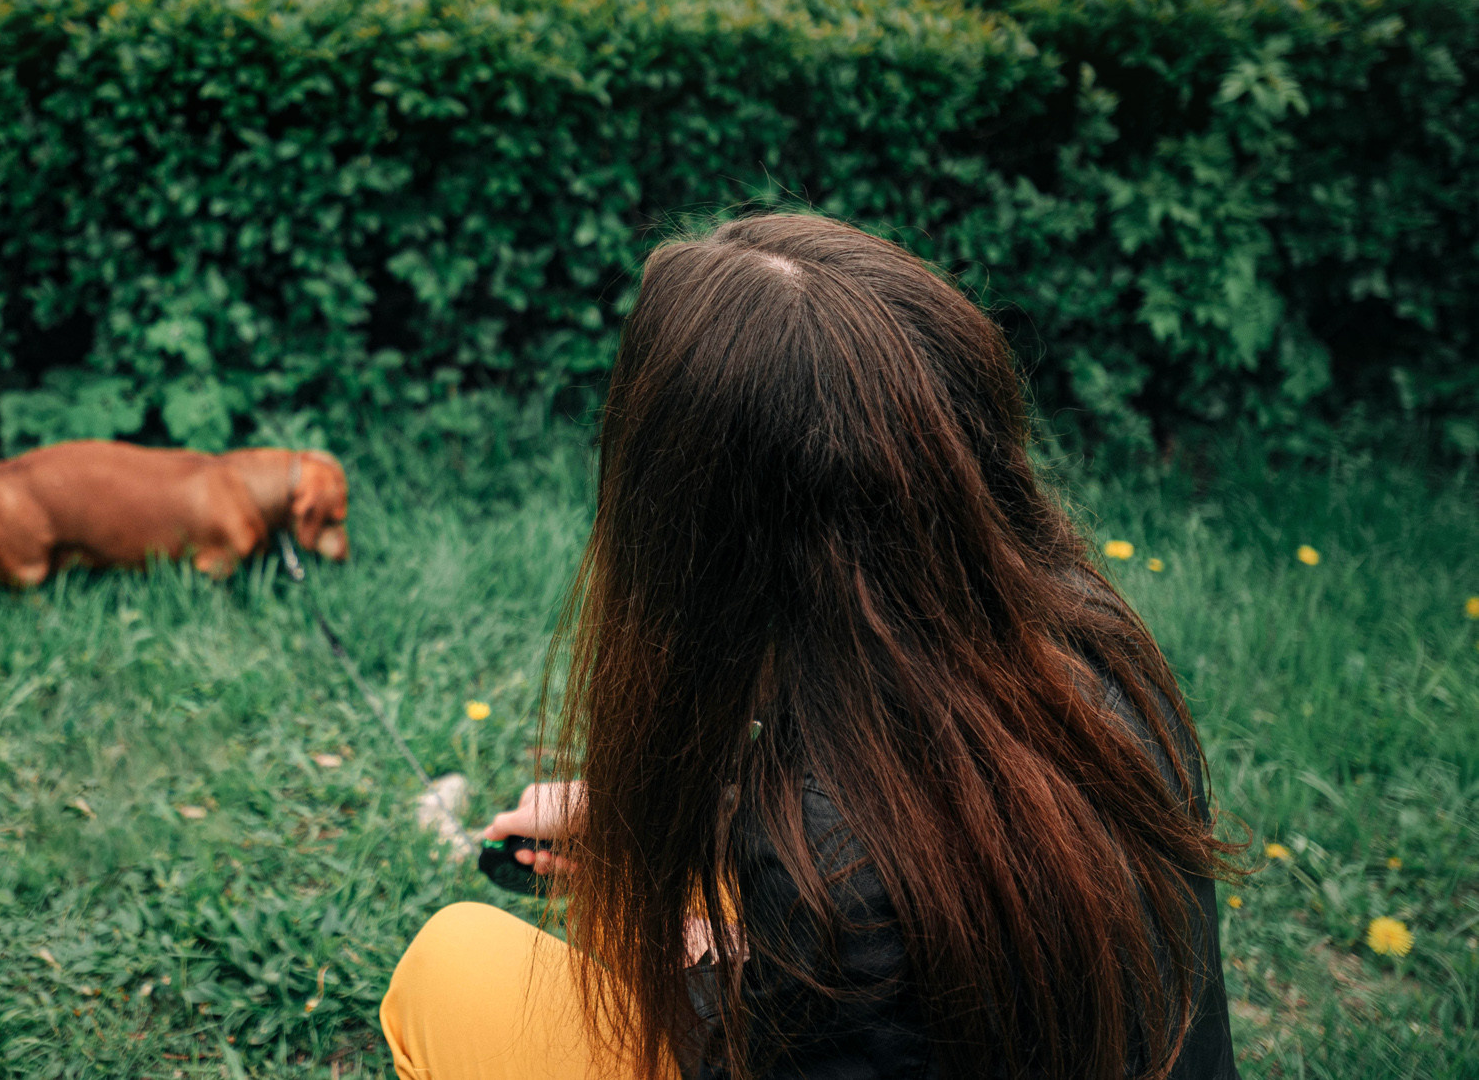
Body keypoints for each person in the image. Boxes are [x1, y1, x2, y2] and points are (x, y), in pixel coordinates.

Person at [381, 213, 1239, 1080]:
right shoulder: (1097, 639)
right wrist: (670, 836)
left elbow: (852, 928)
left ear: (701, 532)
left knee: (450, 966)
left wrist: (721, 978)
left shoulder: (826, 880)